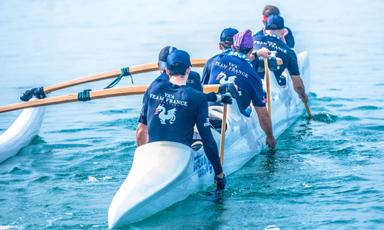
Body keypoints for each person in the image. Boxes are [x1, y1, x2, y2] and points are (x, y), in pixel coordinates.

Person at [136, 49, 227, 190]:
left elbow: (141, 130)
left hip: (154, 156)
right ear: (189, 70)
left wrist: (142, 165)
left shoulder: (153, 88)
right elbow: (208, 141)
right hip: (180, 157)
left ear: (166, 70)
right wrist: (219, 173)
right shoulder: (197, 97)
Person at [207, 29, 276, 149]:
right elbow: (262, 113)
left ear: (233, 47)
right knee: (254, 103)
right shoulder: (253, 76)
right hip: (235, 115)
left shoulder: (215, 60)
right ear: (251, 49)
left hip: (209, 108)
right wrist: (270, 137)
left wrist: (256, 54)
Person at [254, 15, 308, 103]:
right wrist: (303, 96)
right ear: (283, 32)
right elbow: (297, 85)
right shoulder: (289, 52)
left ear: (264, 30)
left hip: (249, 87)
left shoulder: (252, 40)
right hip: (272, 92)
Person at [202, 28, 271, 85]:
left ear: (220, 46)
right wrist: (257, 54)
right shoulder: (252, 60)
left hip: (216, 99)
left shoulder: (211, 61)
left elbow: (203, 88)